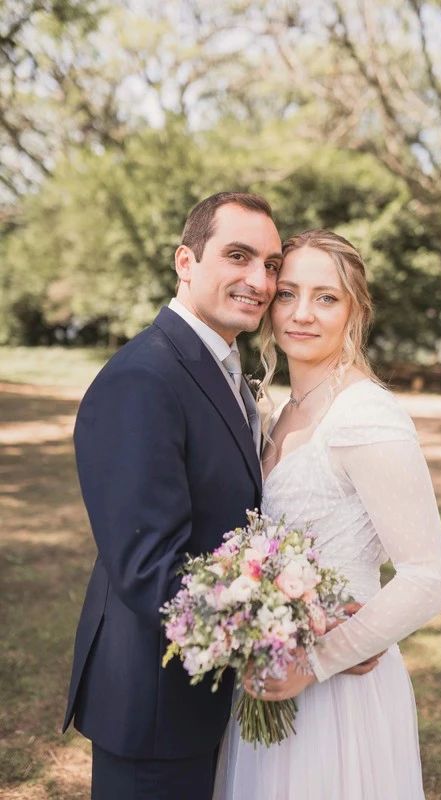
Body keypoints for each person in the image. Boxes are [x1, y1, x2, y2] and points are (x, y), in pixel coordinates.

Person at [213, 229, 441, 800]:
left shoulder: (365, 413)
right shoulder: (278, 411)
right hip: (268, 676)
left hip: (339, 692)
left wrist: (316, 663)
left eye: (326, 297)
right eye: (287, 294)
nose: (302, 313)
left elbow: (429, 577)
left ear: (355, 311)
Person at [62, 192, 284, 800]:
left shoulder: (222, 368)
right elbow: (148, 568)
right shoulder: (144, 377)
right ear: (185, 262)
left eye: (270, 264)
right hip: (154, 704)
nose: (259, 280)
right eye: (238, 256)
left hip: (208, 695)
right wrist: (279, 629)